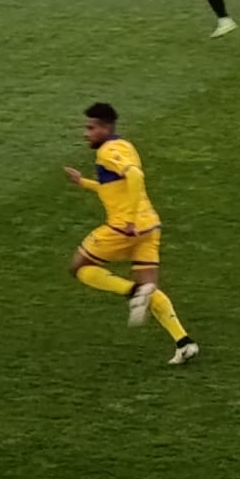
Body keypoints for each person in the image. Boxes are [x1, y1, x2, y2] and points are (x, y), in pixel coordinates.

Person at [64, 103, 199, 367]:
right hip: (150, 227)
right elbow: (116, 187)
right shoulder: (125, 146)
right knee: (152, 288)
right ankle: (184, 342)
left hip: (124, 228)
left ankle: (134, 291)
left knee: (79, 266)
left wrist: (127, 219)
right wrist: (83, 182)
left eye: (90, 128)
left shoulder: (107, 152)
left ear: (105, 128)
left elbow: (135, 175)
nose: (86, 133)